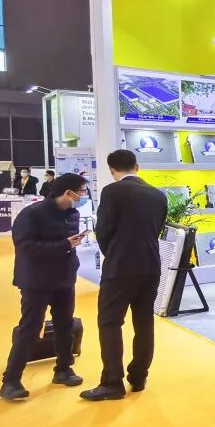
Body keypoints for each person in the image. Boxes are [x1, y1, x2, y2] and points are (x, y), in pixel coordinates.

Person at [80, 150, 168, 401]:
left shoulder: (112, 191)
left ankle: (112, 382)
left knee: (110, 322)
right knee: (144, 322)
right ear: (137, 167)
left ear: (112, 170)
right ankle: (139, 377)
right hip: (151, 265)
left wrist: (114, 253)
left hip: (120, 267)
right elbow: (158, 228)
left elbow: (103, 230)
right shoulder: (158, 195)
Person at [0, 173, 88, 400]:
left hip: (64, 278)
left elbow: (67, 245)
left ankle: (64, 369)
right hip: (36, 280)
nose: (84, 196)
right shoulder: (32, 214)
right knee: (30, 327)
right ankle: (11, 380)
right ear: (68, 193)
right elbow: (25, 246)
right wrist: (63, 245)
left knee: (65, 325)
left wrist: (71, 249)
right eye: (82, 192)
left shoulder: (73, 214)